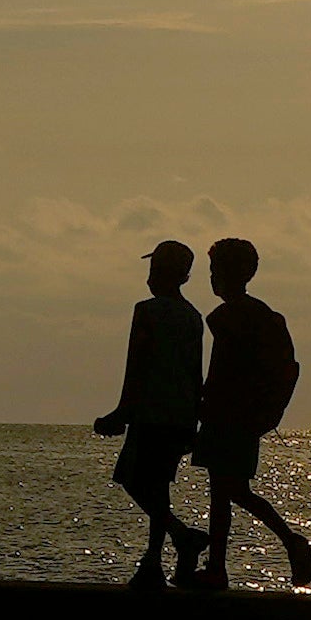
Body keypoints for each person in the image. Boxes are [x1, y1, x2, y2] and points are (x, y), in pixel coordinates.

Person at [187, 237, 311, 591]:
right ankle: (220, 567)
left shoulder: (227, 318)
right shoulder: (264, 315)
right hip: (247, 418)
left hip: (226, 416)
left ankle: (284, 543)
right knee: (229, 491)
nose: (212, 278)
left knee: (228, 492)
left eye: (215, 271)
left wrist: (202, 405)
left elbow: (221, 371)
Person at [91, 237, 207, 590]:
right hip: (179, 415)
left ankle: (172, 544)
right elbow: (194, 372)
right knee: (157, 487)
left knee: (136, 481)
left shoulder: (148, 311)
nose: (149, 276)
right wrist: (194, 419)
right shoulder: (192, 317)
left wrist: (122, 411)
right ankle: (159, 556)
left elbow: (137, 364)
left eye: (154, 269)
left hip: (151, 414)